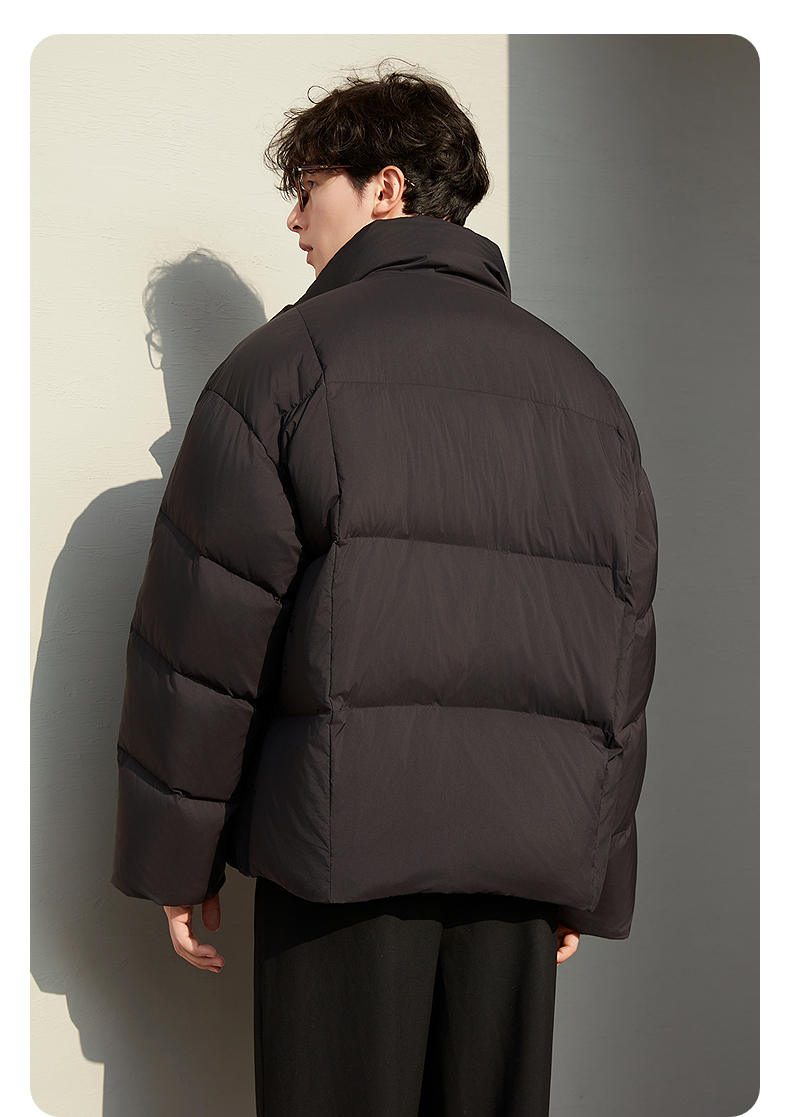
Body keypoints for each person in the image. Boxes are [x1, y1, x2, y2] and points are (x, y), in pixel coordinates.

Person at [112, 66, 657, 1117]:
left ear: (386, 189)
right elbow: (621, 652)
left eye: (307, 185)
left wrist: (178, 860)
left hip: (339, 863)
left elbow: (206, 641)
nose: (293, 217)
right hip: (520, 864)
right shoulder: (586, 393)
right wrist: (586, 868)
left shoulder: (282, 369)